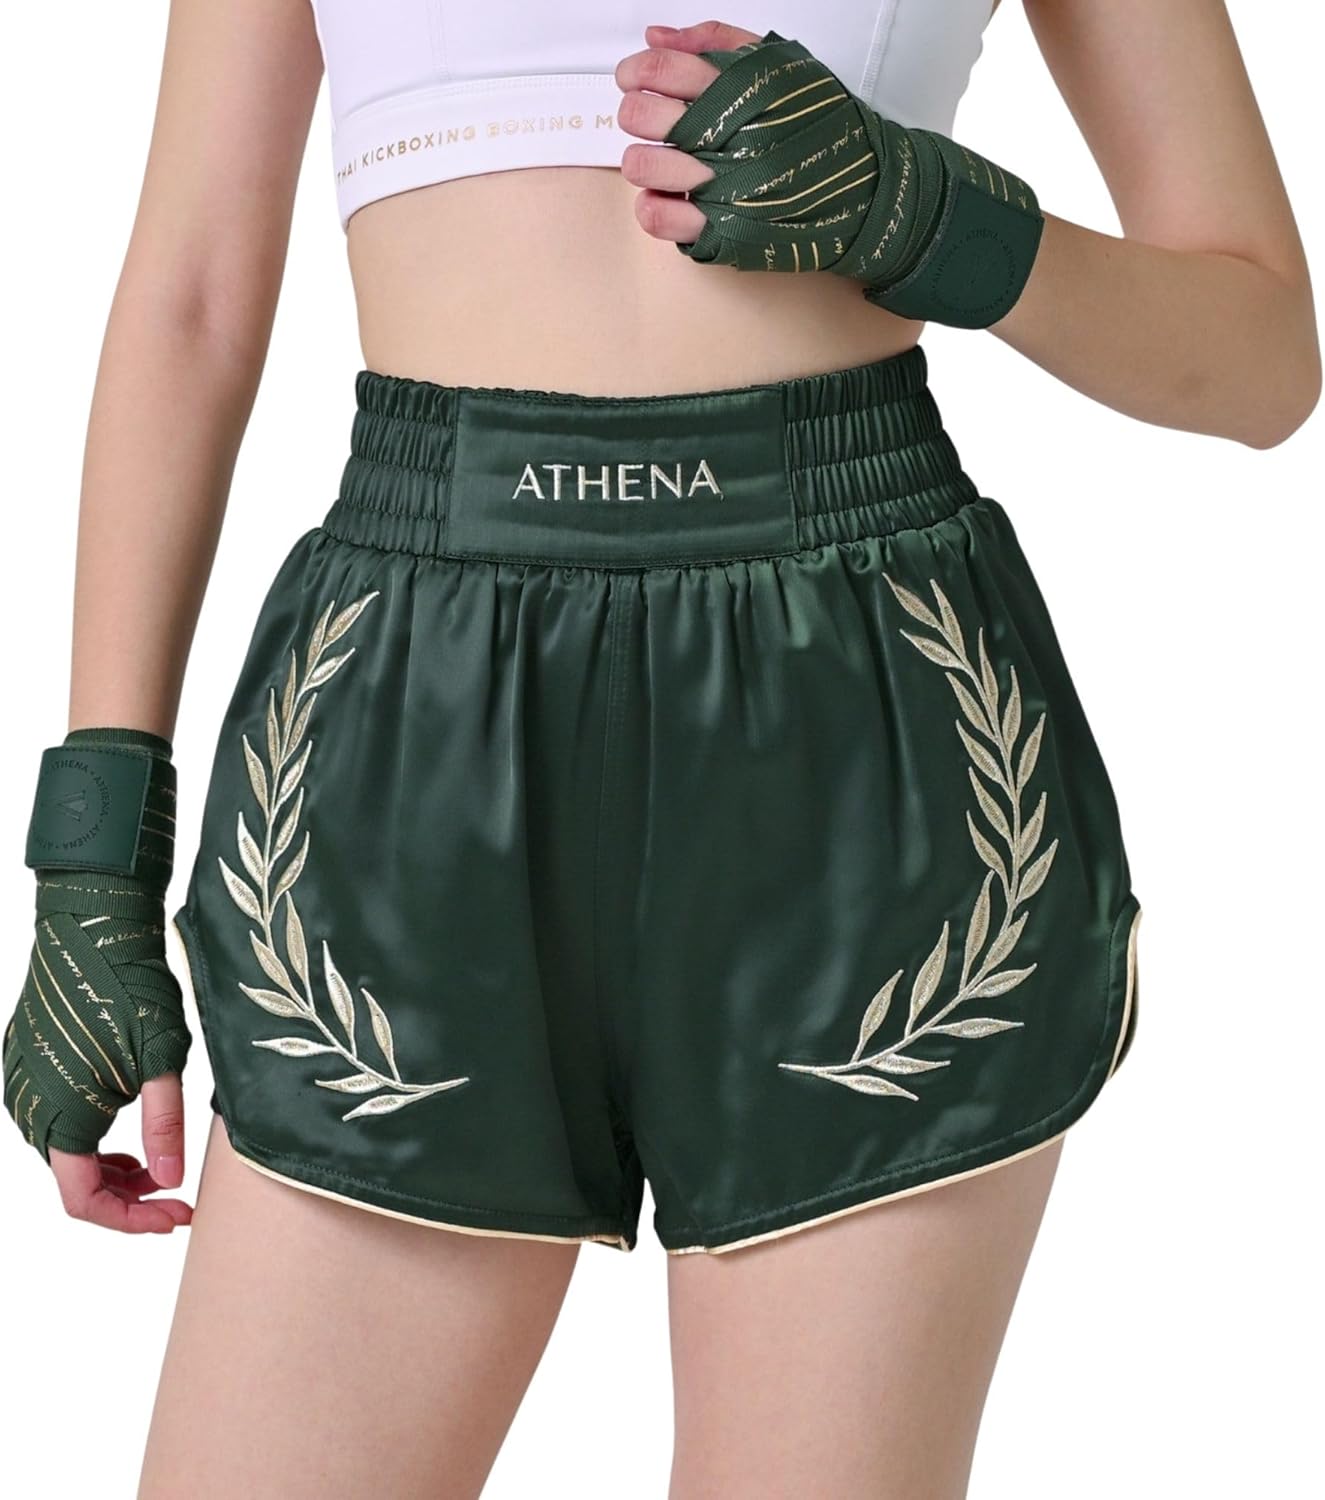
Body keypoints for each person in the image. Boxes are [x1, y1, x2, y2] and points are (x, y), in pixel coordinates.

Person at [3, 5, 1318, 1497]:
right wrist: (92, 858)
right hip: (407, 721)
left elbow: (1263, 356)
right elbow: (188, 297)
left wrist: (923, 214)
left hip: (862, 731)